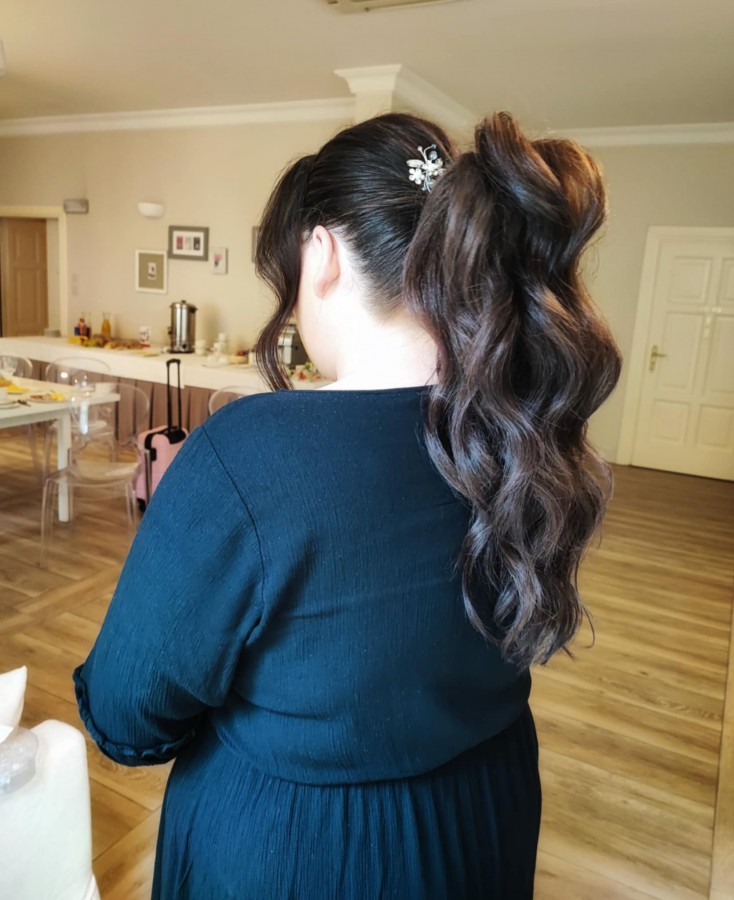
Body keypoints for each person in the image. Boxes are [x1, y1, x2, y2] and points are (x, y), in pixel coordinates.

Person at [73, 111, 622, 898]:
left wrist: (185, 528)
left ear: (322, 252)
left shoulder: (248, 454)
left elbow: (128, 716)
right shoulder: (518, 431)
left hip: (300, 852)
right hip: (486, 810)